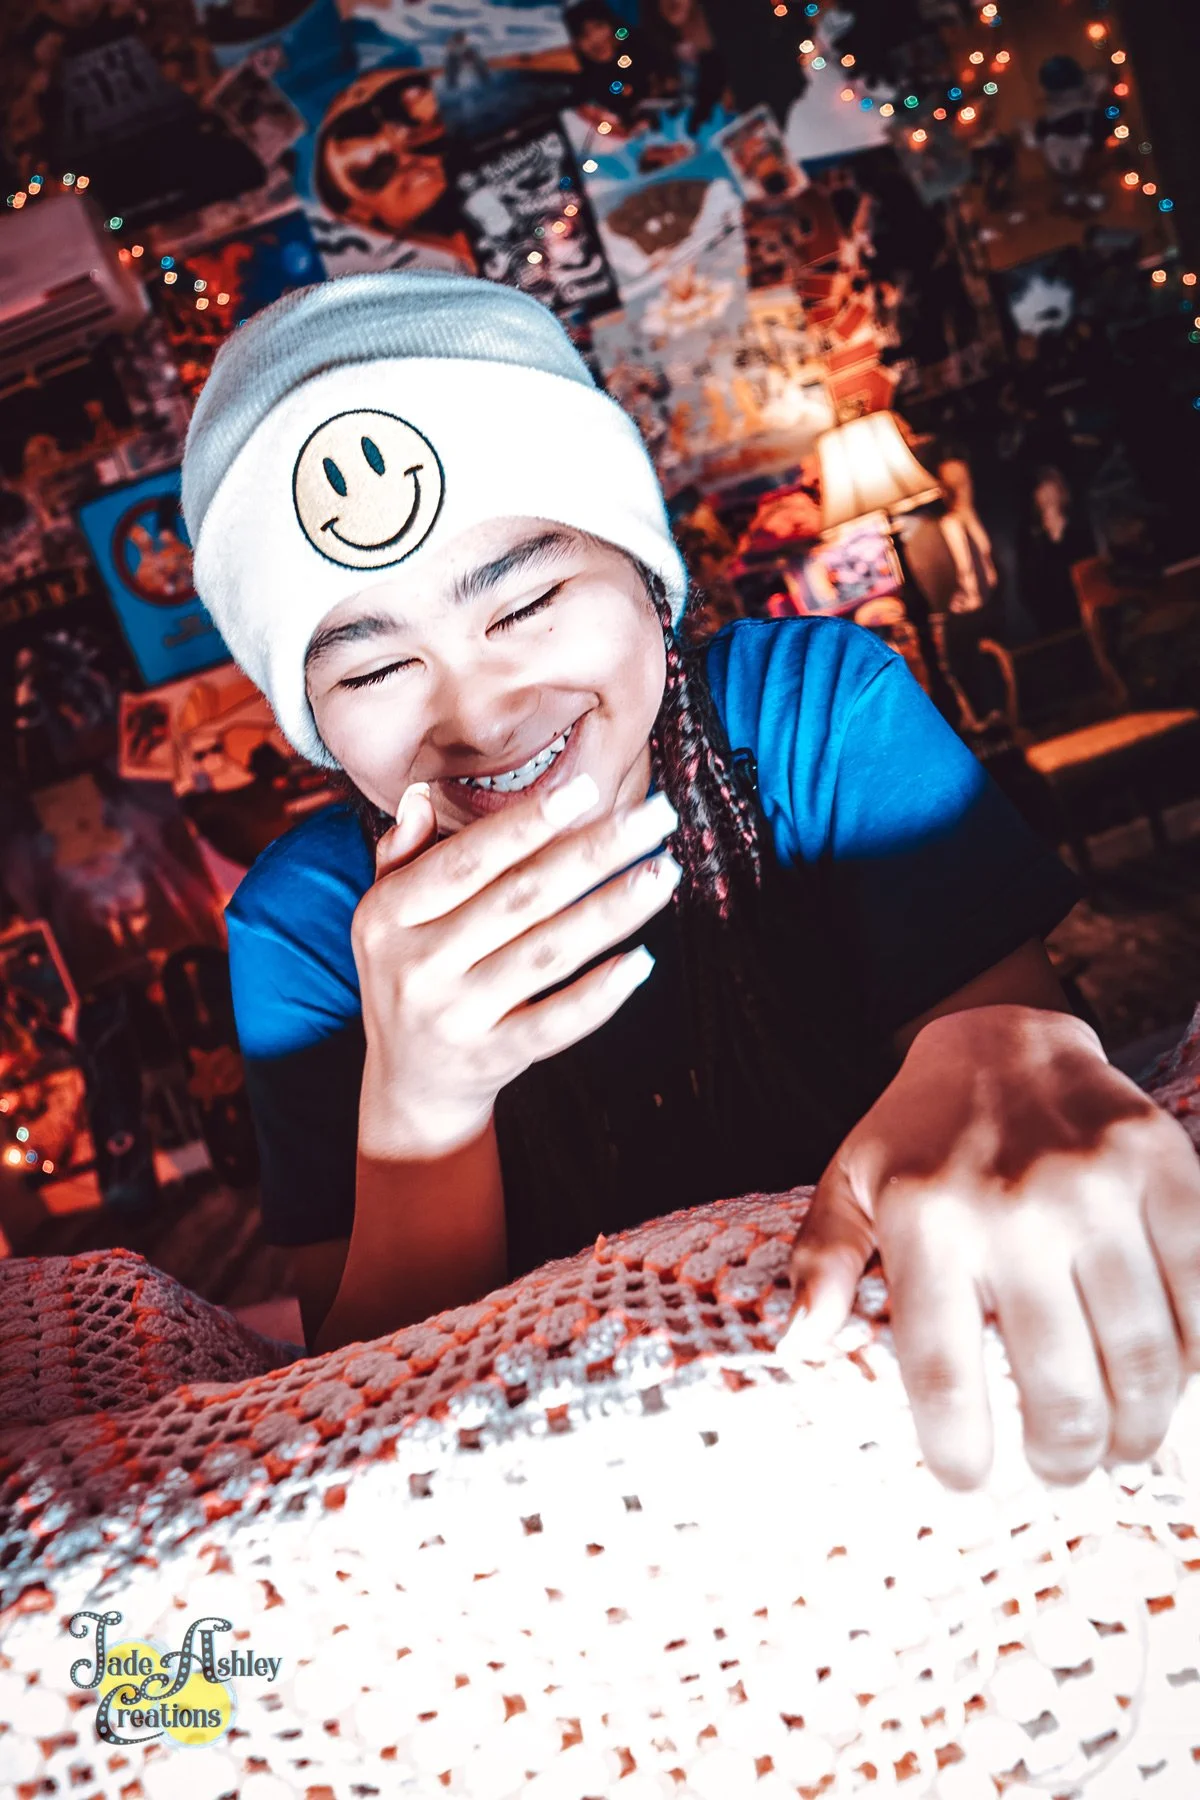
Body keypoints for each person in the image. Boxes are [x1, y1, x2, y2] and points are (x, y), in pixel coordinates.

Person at [180, 272, 1200, 1493]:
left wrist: (1003, 1043)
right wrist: (424, 1102)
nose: (482, 717)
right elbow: (377, 1407)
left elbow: (1000, 1065)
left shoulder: (818, 711)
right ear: (313, 728)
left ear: (648, 583)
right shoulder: (305, 929)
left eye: (530, 600)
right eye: (374, 669)